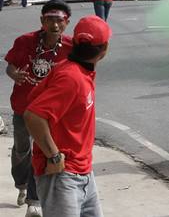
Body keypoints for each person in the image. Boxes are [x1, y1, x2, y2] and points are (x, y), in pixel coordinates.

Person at [24, 15, 111, 217]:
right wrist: (53, 156)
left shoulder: (79, 71)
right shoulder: (71, 78)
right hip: (63, 176)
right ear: (104, 49)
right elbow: (33, 116)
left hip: (84, 172)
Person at [5, 0, 73, 217]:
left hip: (52, 113)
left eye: (59, 20)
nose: (55, 25)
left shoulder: (72, 48)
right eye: (50, 19)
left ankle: (34, 201)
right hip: (23, 107)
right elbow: (10, 65)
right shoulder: (25, 41)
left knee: (42, 150)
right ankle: (21, 184)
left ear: (67, 22)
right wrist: (14, 74)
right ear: (42, 20)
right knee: (21, 150)